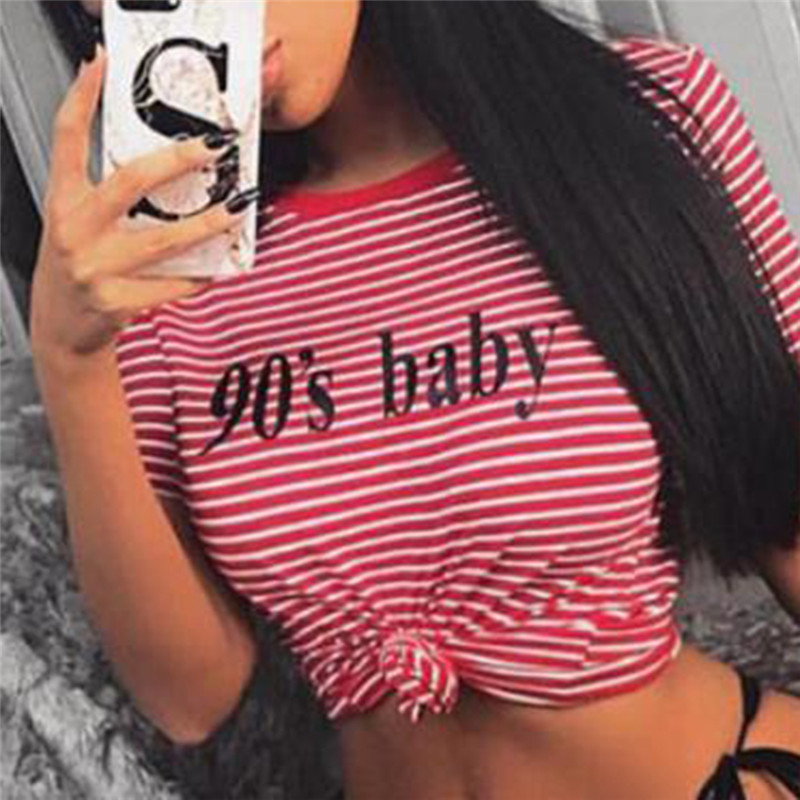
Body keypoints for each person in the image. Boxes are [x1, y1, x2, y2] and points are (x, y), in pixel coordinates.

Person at [31, 1, 800, 798]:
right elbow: (194, 702)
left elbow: (784, 501)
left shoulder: (636, 117)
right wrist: (69, 359)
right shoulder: (160, 253)